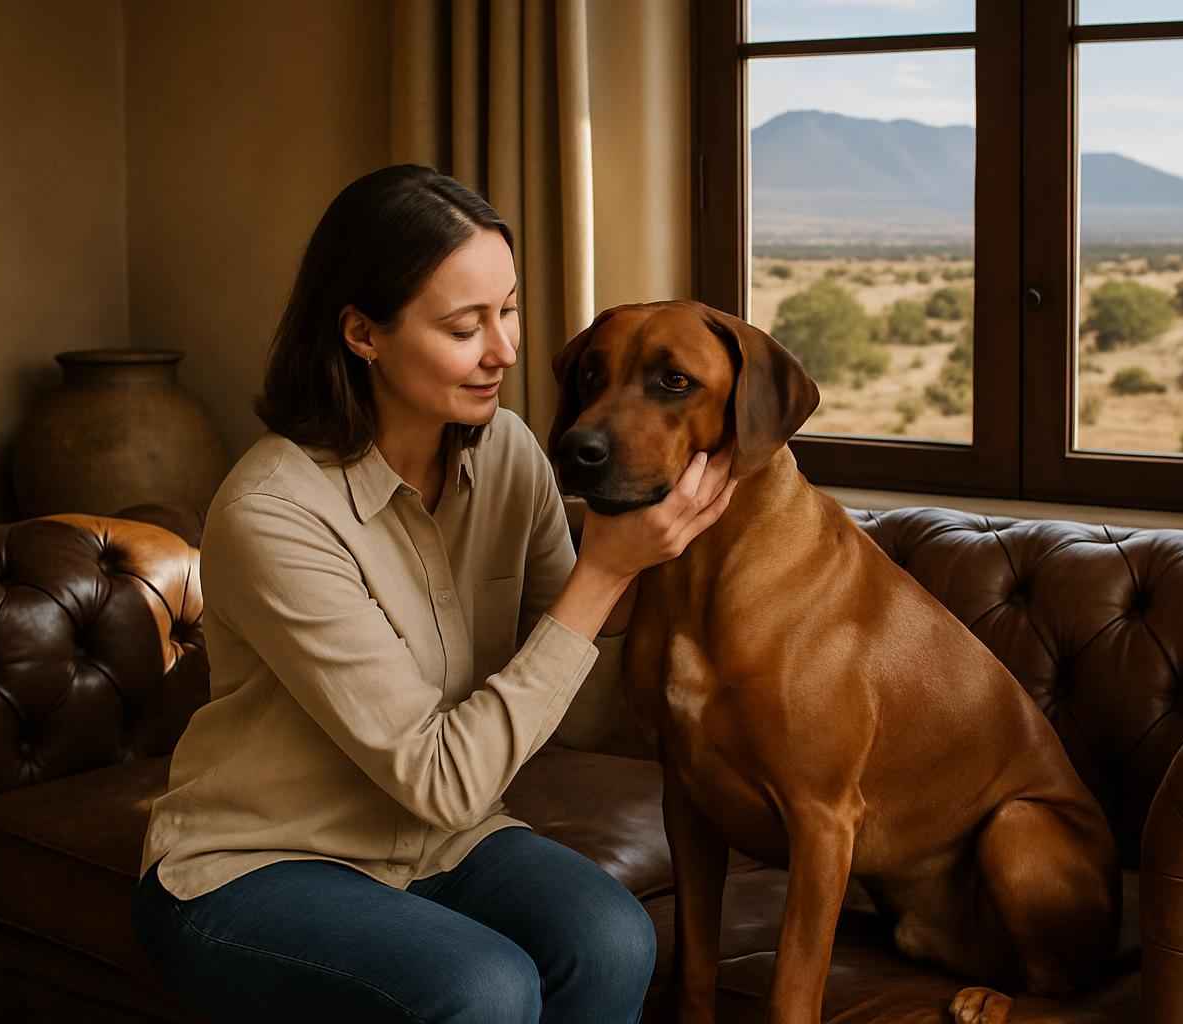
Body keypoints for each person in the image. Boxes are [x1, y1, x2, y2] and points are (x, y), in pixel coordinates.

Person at [130, 164, 737, 1023]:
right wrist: (609, 568)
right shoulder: (274, 514)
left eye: (510, 309)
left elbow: (566, 667)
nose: (505, 351)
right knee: (481, 987)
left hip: (441, 845)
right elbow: (446, 777)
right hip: (253, 864)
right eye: (464, 326)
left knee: (612, 936)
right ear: (363, 333)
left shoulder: (510, 452)